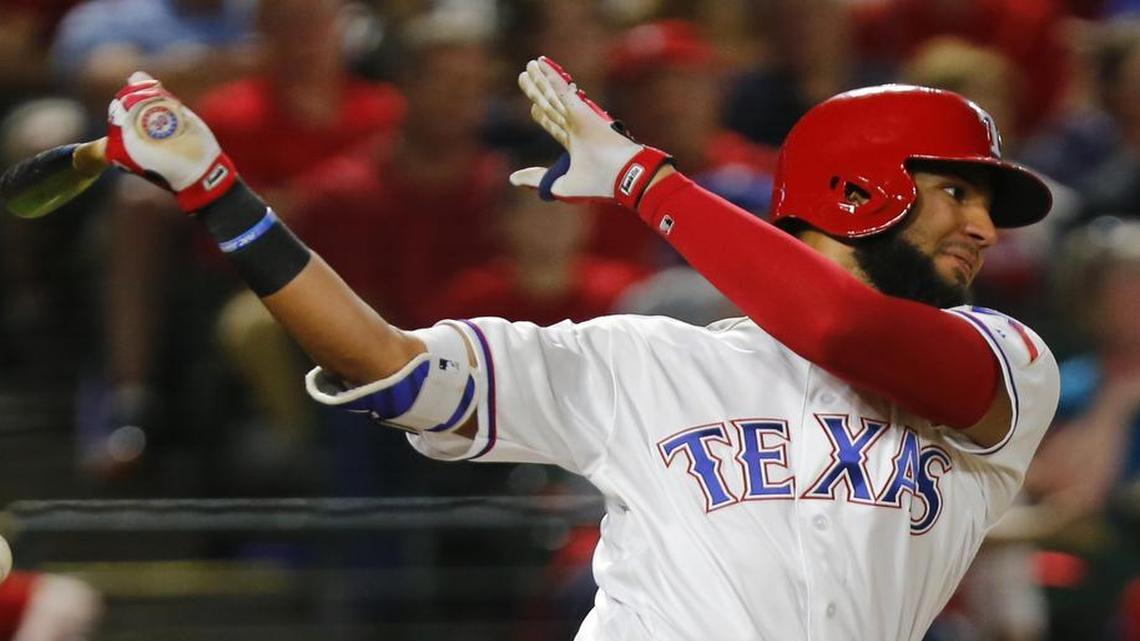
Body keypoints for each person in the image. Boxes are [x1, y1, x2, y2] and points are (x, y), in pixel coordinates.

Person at [97, 52, 1059, 641]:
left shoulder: (1011, 359)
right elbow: (386, 363)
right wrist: (220, 193)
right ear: (856, 189)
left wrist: (646, 181)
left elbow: (841, 328)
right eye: (956, 192)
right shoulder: (646, 359)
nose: (984, 227)